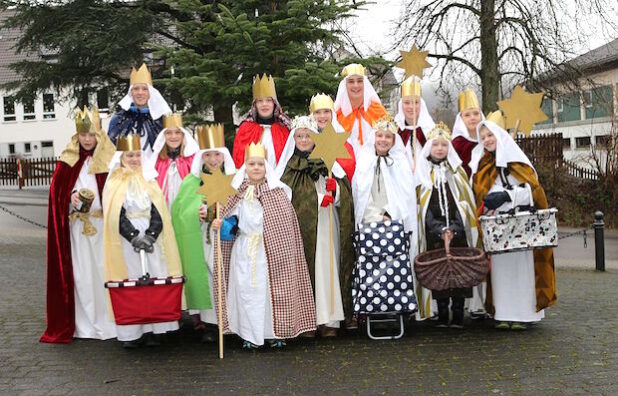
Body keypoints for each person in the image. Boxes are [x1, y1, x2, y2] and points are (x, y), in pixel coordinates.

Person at [211, 142, 316, 349]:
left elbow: (285, 227)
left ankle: (274, 332)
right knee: (247, 292)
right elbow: (230, 226)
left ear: (266, 167)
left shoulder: (277, 193)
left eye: (260, 164)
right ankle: (250, 335)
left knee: (270, 292)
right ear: (245, 167)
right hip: (244, 249)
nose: (256, 168)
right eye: (252, 164)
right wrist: (220, 223)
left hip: (270, 253)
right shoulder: (235, 193)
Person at [470, 111, 557, 330]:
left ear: (499, 136)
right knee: (500, 270)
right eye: (483, 137)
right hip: (497, 227)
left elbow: (533, 192)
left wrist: (508, 195)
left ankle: (523, 314)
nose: (487, 140)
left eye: (490, 135)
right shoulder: (484, 166)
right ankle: (503, 313)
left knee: (522, 269)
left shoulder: (518, 162)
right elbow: (480, 193)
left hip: (520, 224)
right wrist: (488, 200)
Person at [41, 107, 116, 343]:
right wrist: (70, 197)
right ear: (77, 135)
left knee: (103, 273)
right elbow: (56, 195)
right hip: (77, 231)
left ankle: (109, 323)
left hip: (103, 230)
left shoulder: (111, 160)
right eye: (83, 135)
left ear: (99, 135)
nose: (87, 139)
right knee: (82, 276)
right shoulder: (67, 161)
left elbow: (118, 191)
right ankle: (83, 325)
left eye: (91, 135)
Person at [276, 116, 355, 336]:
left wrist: (336, 192)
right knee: (306, 270)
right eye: (299, 136)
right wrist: (317, 199)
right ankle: (307, 321)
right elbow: (284, 200)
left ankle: (329, 320)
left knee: (328, 269)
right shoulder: (289, 168)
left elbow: (346, 196)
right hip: (302, 231)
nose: (303, 140)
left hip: (328, 226)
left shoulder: (329, 163)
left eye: (307, 136)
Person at [102, 134, 183, 348]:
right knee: (132, 281)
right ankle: (132, 332)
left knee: (155, 277)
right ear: (121, 157)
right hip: (128, 241)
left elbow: (159, 210)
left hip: (150, 238)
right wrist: (133, 237)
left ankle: (157, 329)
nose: (134, 159)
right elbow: (114, 214)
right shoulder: (114, 182)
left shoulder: (150, 179)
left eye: (137, 155)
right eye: (130, 155)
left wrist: (151, 234)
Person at [171, 124, 236, 343]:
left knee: (228, 275)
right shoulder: (192, 181)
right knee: (209, 277)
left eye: (217, 154)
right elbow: (180, 210)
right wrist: (198, 211)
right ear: (202, 157)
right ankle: (211, 323)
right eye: (208, 154)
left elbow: (240, 205)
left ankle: (231, 321)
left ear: (224, 155)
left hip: (228, 239)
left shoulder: (234, 178)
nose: (213, 159)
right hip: (204, 239)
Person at [415, 122, 479, 327]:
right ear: (429, 148)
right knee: (439, 274)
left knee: (459, 273)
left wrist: (454, 228)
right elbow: (422, 207)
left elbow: (465, 204)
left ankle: (458, 312)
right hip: (434, 234)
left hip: (457, 233)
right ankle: (442, 313)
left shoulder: (457, 173)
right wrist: (439, 229)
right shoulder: (423, 174)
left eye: (444, 145)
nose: (440, 148)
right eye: (436, 145)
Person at [107, 63, 172, 157]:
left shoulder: (160, 119)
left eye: (144, 89)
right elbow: (110, 149)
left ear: (150, 93)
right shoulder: (118, 119)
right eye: (136, 89)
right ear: (131, 93)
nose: (140, 93)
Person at [232, 74, 291, 168]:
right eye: (260, 101)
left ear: (274, 104)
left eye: (268, 100)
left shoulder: (284, 130)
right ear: (255, 105)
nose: (264, 104)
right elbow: (238, 159)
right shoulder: (245, 129)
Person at [149, 113, 199, 209]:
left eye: (177, 132)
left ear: (183, 134)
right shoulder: (157, 160)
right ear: (163, 136)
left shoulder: (191, 160)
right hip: (164, 209)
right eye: (168, 133)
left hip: (186, 208)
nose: (173, 136)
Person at [334, 63, 388, 152]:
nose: (356, 85)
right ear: (345, 85)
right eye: (351, 81)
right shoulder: (337, 116)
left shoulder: (378, 112)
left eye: (359, 81)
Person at [310, 93, 356, 181]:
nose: (322, 116)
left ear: (332, 114)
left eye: (326, 111)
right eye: (317, 112)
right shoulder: (306, 140)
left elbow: (350, 168)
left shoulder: (343, 139)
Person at [394, 75, 435, 171]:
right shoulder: (395, 130)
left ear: (421, 104)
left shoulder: (430, 129)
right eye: (407, 102)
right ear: (401, 104)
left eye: (415, 102)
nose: (411, 107)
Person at [452, 88, 484, 177]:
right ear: (461, 119)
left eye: (476, 113)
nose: (472, 118)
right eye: (467, 115)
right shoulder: (457, 144)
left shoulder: (488, 139)